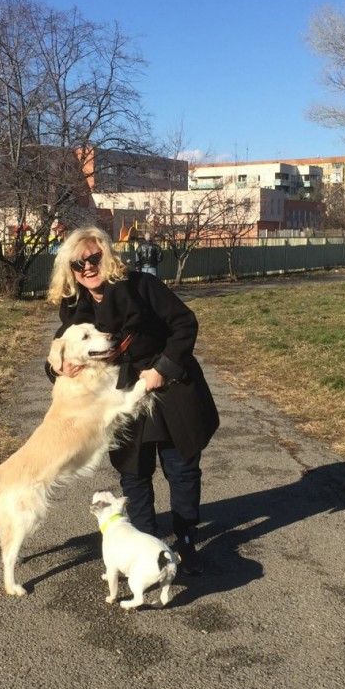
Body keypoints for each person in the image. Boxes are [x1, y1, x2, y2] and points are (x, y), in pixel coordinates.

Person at [46, 227, 219, 573]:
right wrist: (59, 370)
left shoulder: (142, 286)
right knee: (133, 472)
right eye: (79, 264)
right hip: (120, 396)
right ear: (70, 270)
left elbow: (185, 324)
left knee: (181, 467)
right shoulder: (74, 306)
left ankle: (186, 538)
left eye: (95, 258)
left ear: (107, 256)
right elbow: (62, 352)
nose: (88, 268)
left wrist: (162, 368)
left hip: (170, 386)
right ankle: (146, 540)